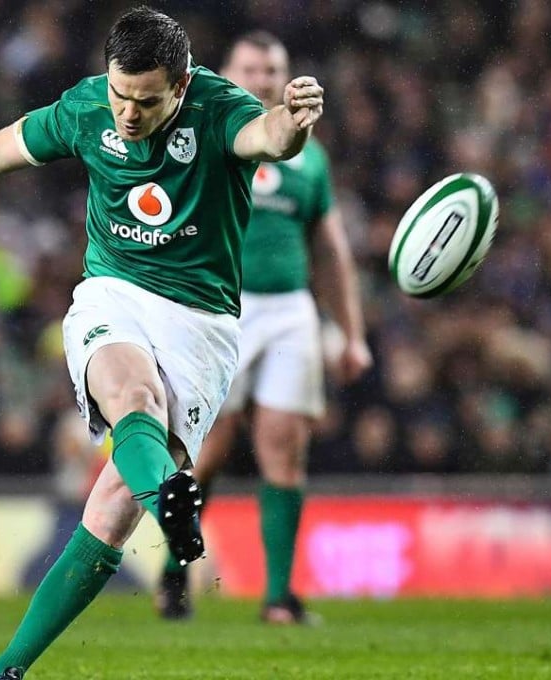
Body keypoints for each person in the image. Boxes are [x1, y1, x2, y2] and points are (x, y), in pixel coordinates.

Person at [0, 6, 324, 679]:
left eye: (146, 101)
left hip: (202, 324)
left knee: (112, 510)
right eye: (120, 94)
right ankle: (169, 503)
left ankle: (19, 656)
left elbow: (269, 139)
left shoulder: (218, 106)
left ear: (180, 85)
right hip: (113, 294)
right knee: (133, 397)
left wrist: (291, 122)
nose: (127, 114)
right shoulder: (88, 107)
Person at [153, 31, 373, 624]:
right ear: (226, 73)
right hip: (218, 307)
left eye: (272, 69)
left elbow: (330, 252)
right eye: (250, 68)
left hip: (289, 313)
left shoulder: (310, 157)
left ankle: (278, 596)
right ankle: (174, 574)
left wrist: (351, 333)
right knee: (208, 451)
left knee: (285, 446)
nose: (262, 79)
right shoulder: (207, 136)